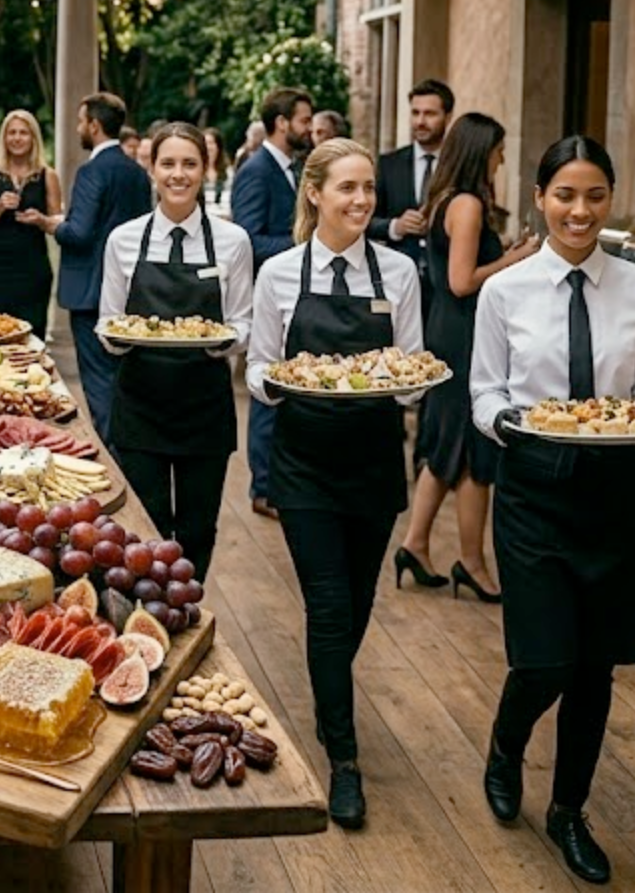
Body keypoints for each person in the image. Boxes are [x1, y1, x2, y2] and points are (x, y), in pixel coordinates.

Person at [472, 136, 635, 885]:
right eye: (565, 196)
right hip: (534, 487)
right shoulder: (505, 291)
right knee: (545, 655)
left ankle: (569, 812)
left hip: (615, 490)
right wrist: (515, 425)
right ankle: (505, 746)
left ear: (610, 199)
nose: (579, 211)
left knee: (596, 666)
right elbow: (486, 392)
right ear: (540, 198)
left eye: (594, 196)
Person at [245, 137, 423, 830]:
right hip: (306, 461)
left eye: (369, 189)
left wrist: (402, 384)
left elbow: (411, 371)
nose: (360, 201)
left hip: (376, 459)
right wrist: (288, 382)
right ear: (314, 193)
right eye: (346, 188)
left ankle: (328, 697)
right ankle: (344, 759)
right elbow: (259, 368)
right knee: (327, 604)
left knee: (356, 600)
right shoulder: (280, 274)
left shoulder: (400, 272)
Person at [99, 123, 253, 580]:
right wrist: (122, 335)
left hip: (204, 406)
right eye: (168, 163)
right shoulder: (123, 240)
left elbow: (241, 325)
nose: (178, 174)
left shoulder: (233, 241)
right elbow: (108, 323)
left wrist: (220, 340)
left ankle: (188, 613)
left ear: (206, 169)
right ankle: (149, 616)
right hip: (140, 403)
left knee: (197, 529)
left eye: (190, 163)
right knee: (144, 530)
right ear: (151, 168)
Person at [395, 114, 539, 600]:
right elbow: (462, 281)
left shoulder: (443, 200)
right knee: (477, 450)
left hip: (450, 329)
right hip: (466, 333)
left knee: (444, 442)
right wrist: (517, 258)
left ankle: (415, 543)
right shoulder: (469, 205)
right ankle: (473, 562)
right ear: (482, 151)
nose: (503, 158)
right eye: (499, 150)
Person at [29, 92, 151, 443]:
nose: (79, 128)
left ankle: (112, 452)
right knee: (122, 379)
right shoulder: (136, 173)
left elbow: (80, 233)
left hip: (90, 292)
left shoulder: (92, 171)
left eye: (82, 122)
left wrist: (52, 225)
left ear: (95, 126)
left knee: (98, 382)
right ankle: (129, 444)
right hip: (128, 290)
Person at [231, 87, 312, 519]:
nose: (308, 129)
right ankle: (262, 488)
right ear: (282, 123)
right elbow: (247, 237)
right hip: (270, 291)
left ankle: (278, 480)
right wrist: (302, 244)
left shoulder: (291, 168)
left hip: (293, 292)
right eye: (303, 121)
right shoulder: (257, 169)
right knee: (267, 388)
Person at [0, 109, 60, 333]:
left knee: (33, 333)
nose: (17, 138)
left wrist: (41, 220)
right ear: (4, 138)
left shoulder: (47, 175)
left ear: (33, 138)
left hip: (33, 268)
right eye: (11, 132)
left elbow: (58, 224)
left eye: (23, 132)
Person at [368, 78, 454, 271]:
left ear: (448, 117)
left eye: (430, 114)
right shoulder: (388, 164)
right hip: (398, 275)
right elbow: (366, 220)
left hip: (447, 281)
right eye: (415, 113)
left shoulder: (460, 166)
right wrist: (395, 226)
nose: (420, 122)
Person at [204, 127, 228, 204]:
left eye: (211, 143)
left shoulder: (228, 172)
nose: (208, 147)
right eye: (205, 143)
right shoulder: (195, 171)